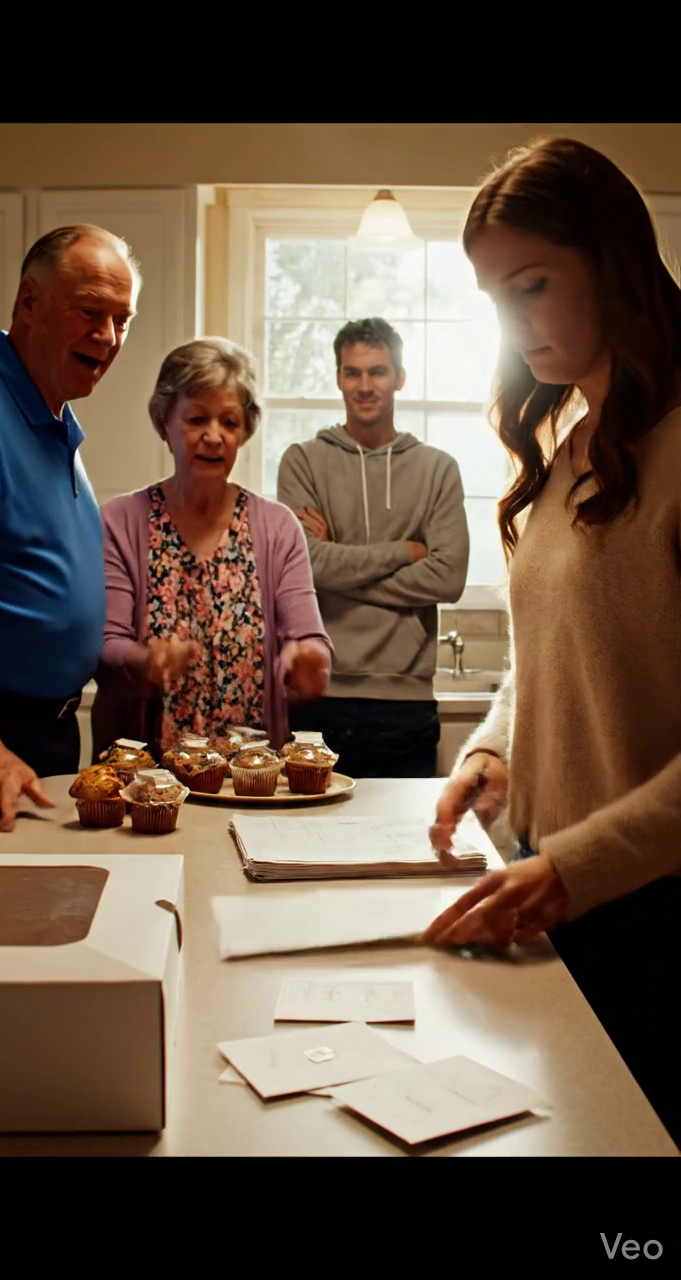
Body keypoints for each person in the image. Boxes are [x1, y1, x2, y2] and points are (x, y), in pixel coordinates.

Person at [424, 136, 681, 1147]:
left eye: (531, 284)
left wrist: (574, 863)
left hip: (653, 914)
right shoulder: (571, 441)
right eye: (495, 296)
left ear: (612, 260)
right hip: (554, 888)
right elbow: (548, 653)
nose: (514, 320)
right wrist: (495, 745)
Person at [0, 224, 140, 834]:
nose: (109, 337)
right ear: (28, 303)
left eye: (123, 320)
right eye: (90, 311)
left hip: (49, 738)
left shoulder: (54, 418)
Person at [92, 337, 331, 757]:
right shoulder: (119, 521)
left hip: (249, 777)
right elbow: (105, 644)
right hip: (144, 781)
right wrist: (145, 661)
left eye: (230, 422)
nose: (214, 437)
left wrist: (309, 660)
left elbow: (310, 639)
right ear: (165, 423)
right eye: (197, 419)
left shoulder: (277, 528)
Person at [276, 317, 469, 778]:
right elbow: (306, 568)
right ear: (339, 377)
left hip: (406, 704)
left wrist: (335, 565)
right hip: (319, 696)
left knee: (403, 850)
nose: (365, 385)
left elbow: (449, 578)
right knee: (311, 849)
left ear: (400, 378)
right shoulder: (303, 461)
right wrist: (405, 550)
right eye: (353, 372)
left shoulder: (437, 469)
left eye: (378, 372)